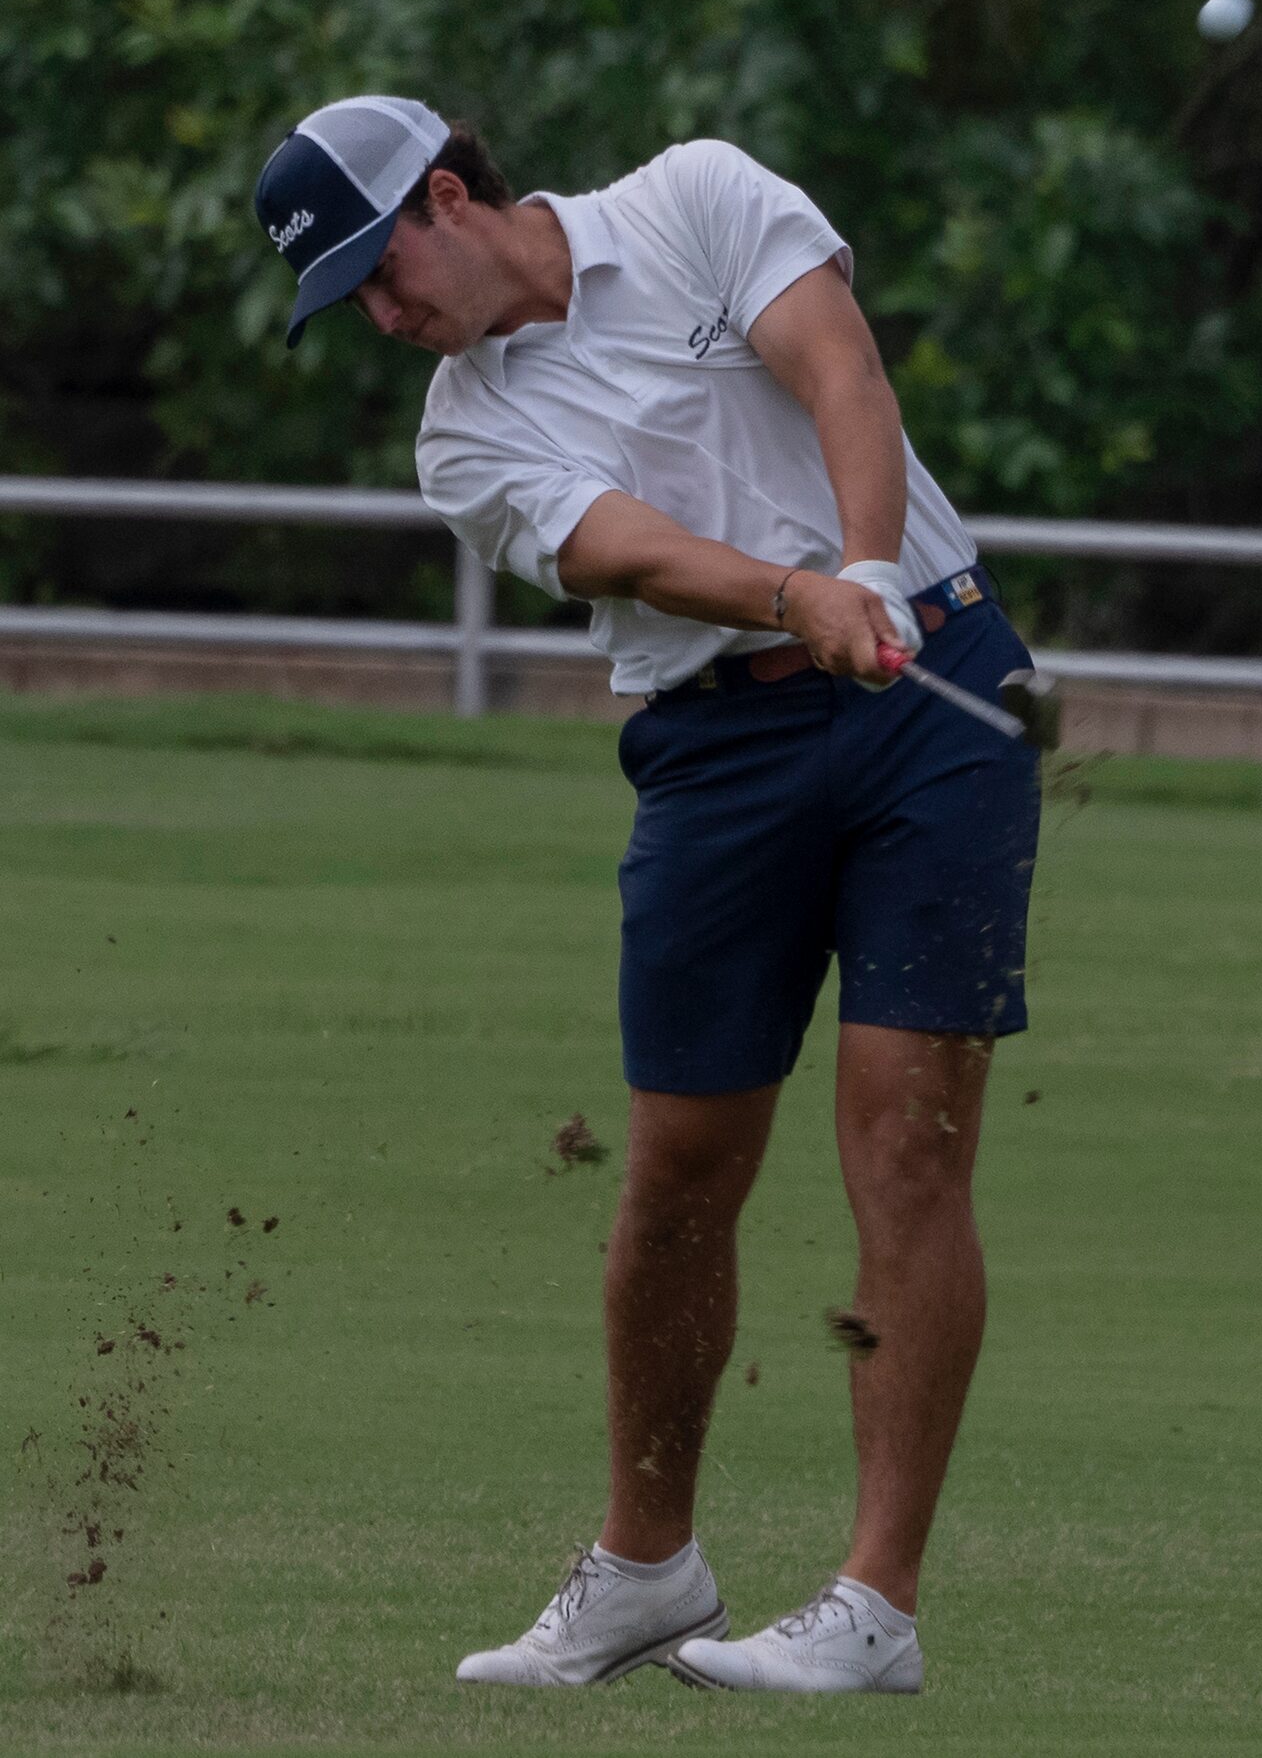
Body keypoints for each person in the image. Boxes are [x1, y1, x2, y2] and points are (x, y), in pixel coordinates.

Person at [255, 95, 1041, 1695]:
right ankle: (643, 1570)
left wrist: (868, 571)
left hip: (931, 680)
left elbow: (837, 366)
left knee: (904, 1141)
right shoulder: (461, 433)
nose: (384, 321)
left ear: (449, 199)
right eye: (351, 308)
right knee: (679, 1165)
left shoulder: (694, 195)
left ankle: (872, 1608)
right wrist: (790, 590)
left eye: (380, 279)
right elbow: (622, 548)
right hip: (712, 743)